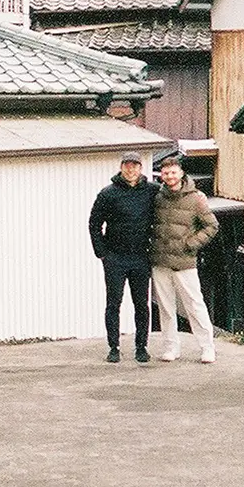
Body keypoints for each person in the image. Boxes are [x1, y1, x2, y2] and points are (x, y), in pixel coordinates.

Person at [149, 151, 219, 363]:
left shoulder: (196, 198)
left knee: (194, 305)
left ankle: (207, 347)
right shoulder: (157, 197)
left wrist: (190, 244)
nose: (169, 176)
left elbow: (212, 226)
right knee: (166, 308)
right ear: (161, 175)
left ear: (181, 173)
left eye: (173, 172)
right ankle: (171, 347)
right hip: (160, 261)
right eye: (165, 172)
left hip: (185, 262)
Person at [88, 151, 157, 363]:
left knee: (141, 304)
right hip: (115, 258)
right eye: (127, 165)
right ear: (121, 167)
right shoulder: (108, 194)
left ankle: (142, 346)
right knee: (113, 304)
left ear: (140, 168)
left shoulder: (152, 191)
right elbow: (94, 224)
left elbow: (172, 202)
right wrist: (102, 253)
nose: (130, 169)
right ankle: (114, 347)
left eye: (134, 166)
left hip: (140, 257)